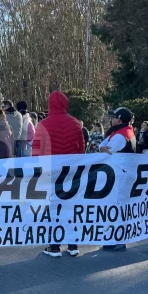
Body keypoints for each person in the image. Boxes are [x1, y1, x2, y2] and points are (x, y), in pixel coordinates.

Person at [32, 91, 86, 258]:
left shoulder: (43, 125)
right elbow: (81, 149)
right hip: (70, 172)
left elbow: (36, 151)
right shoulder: (76, 124)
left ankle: (54, 246)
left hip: (51, 172)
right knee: (70, 208)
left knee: (54, 208)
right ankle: (73, 245)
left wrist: (36, 172)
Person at [98, 107, 137, 252]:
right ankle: (115, 238)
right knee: (116, 206)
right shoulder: (121, 131)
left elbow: (106, 150)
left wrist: (102, 148)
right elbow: (102, 145)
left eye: (113, 117)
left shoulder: (121, 135)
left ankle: (119, 241)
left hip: (122, 175)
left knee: (118, 207)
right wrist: (102, 147)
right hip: (119, 173)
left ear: (119, 119)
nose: (111, 119)